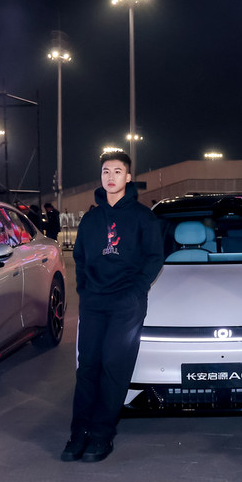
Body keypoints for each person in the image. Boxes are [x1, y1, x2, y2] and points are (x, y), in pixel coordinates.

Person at [63, 151, 165, 463]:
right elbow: (80, 258)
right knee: (88, 366)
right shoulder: (92, 219)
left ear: (128, 177)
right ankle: (79, 432)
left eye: (118, 171)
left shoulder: (143, 217)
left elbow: (154, 257)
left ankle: (102, 433)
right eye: (106, 171)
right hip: (94, 301)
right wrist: (84, 289)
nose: (111, 177)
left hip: (126, 304)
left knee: (113, 367)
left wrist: (136, 291)